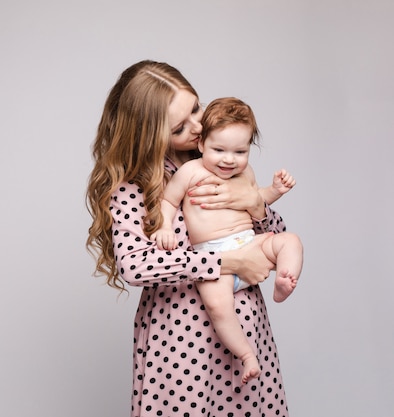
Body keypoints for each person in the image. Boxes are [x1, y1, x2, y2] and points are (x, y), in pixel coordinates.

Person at [86, 60, 290, 417]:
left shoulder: (220, 156)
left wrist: (254, 202)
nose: (198, 126)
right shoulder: (133, 188)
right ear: (150, 135)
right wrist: (225, 262)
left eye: (196, 108)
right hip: (184, 341)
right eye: (181, 126)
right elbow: (135, 265)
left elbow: (274, 236)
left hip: (246, 328)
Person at [151, 97, 303, 385]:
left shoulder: (245, 173)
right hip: (215, 259)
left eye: (239, 151)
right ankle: (246, 355)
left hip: (250, 244)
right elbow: (168, 201)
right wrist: (164, 228)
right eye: (218, 150)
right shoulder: (190, 172)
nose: (229, 159)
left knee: (290, 241)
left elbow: (256, 200)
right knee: (220, 308)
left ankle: (285, 279)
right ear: (201, 145)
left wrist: (274, 190)